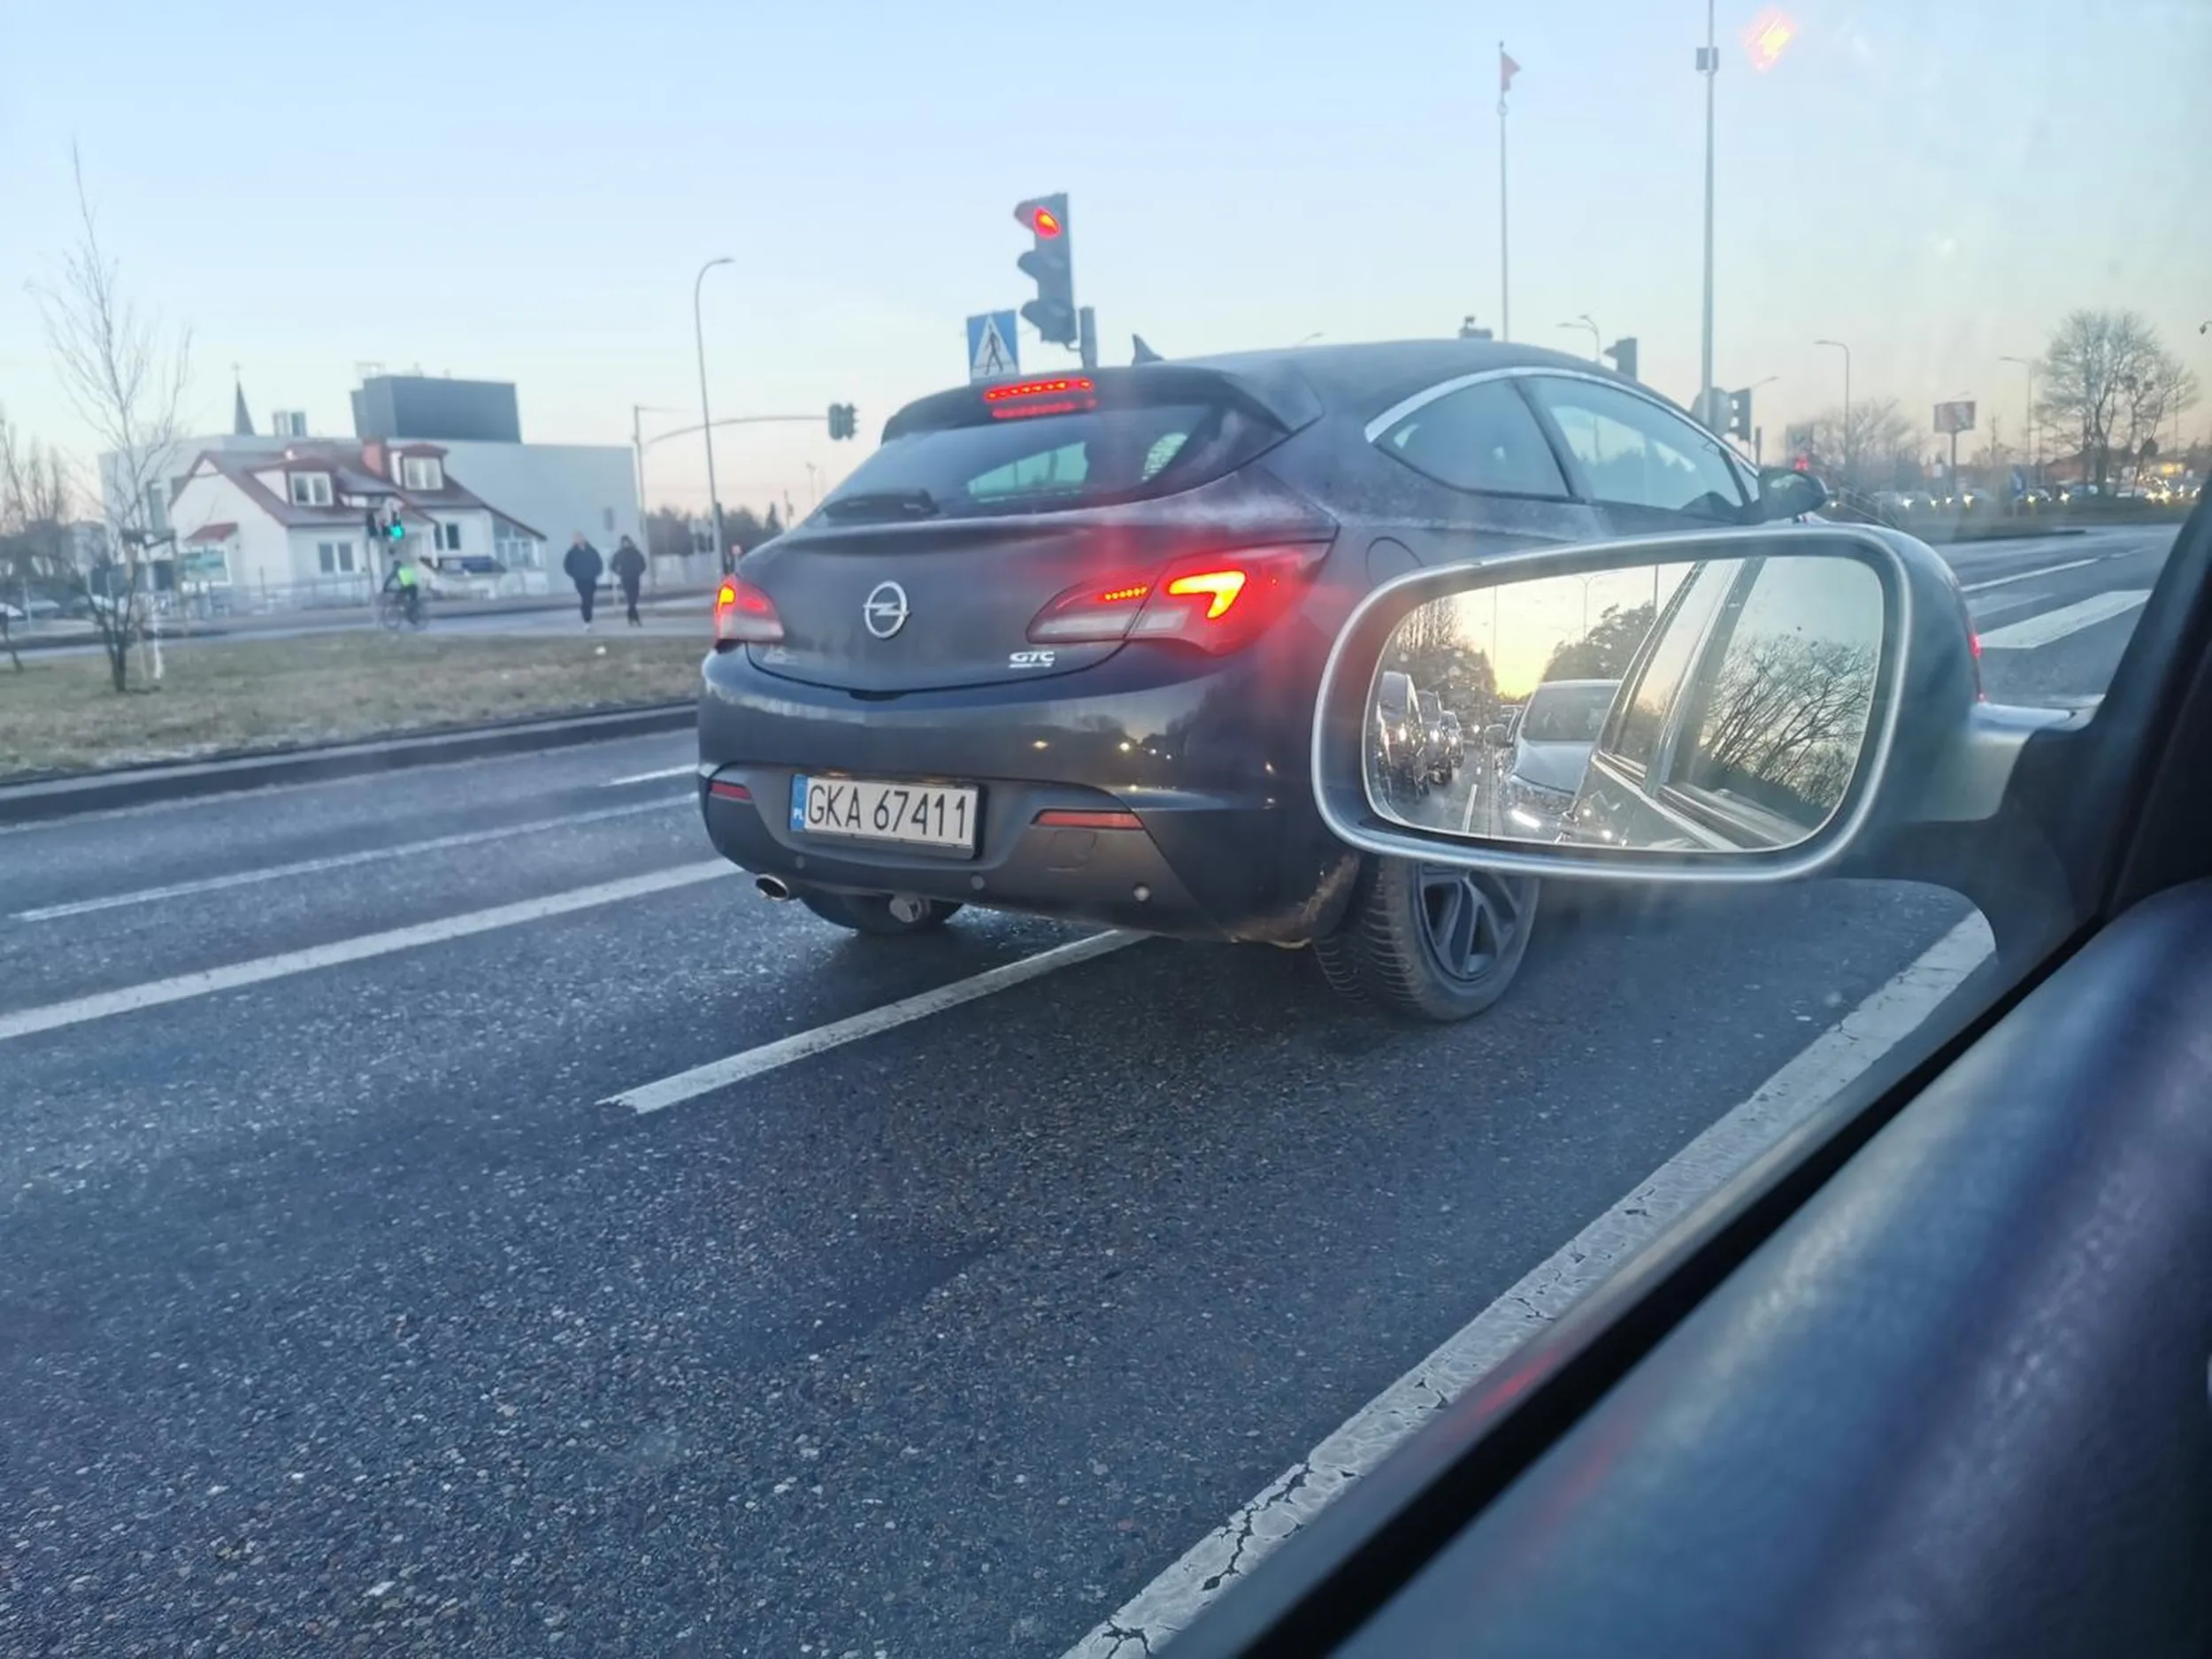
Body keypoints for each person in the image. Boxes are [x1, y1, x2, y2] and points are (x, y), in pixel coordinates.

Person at [563, 532, 603, 627]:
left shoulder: (592, 551)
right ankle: (587, 619)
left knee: (590, 599)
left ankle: (587, 615)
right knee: (585, 598)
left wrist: (596, 573)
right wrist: (575, 574)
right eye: (577, 538)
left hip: (591, 579)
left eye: (581, 538)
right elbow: (567, 566)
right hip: (580, 580)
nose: (580, 540)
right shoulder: (572, 553)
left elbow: (598, 563)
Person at [611, 534, 647, 627]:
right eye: (624, 543)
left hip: (635, 577)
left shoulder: (635, 552)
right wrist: (619, 571)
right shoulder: (619, 554)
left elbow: (643, 563)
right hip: (625, 578)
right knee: (630, 598)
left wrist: (639, 571)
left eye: (627, 542)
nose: (626, 544)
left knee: (634, 597)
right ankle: (635, 617)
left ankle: (631, 615)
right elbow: (613, 565)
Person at [381, 555, 423, 626]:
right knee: (412, 602)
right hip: (414, 586)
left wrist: (384, 588)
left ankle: (406, 612)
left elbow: (389, 579)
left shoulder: (397, 569)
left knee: (398, 598)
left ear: (395, 565)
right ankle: (412, 616)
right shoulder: (406, 568)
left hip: (406, 586)